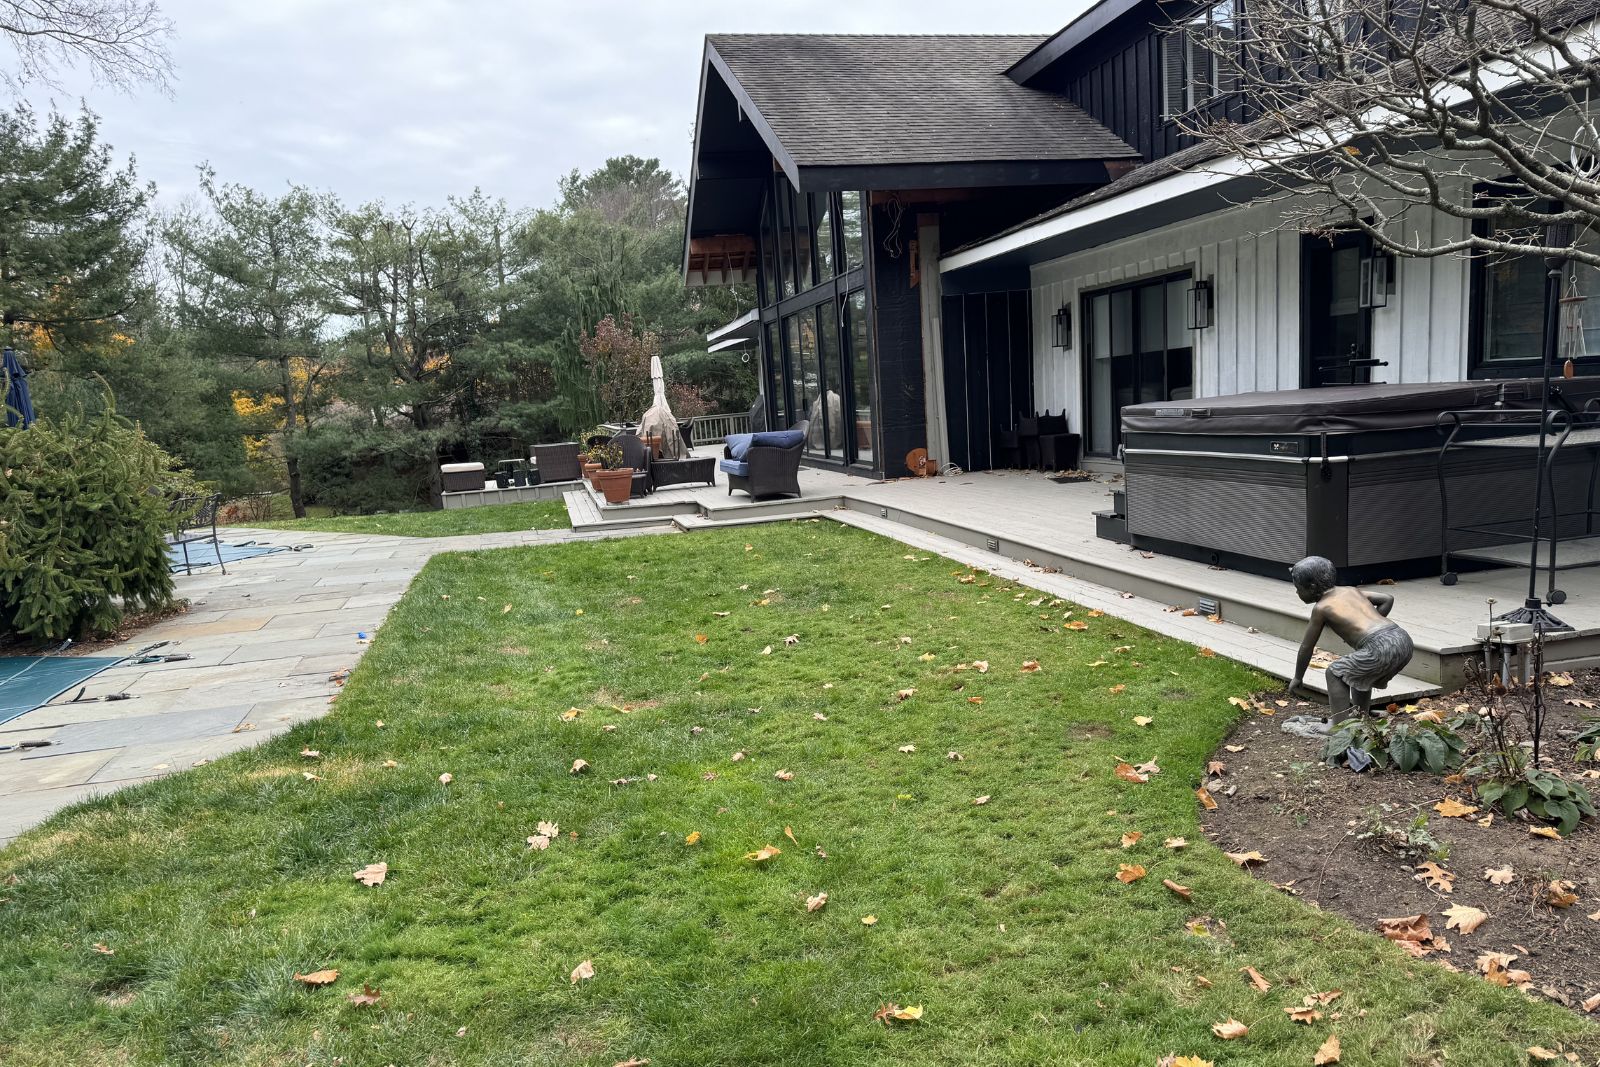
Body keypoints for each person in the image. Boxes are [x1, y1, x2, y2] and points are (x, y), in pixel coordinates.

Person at [1286, 555, 1414, 726]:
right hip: (1402, 638)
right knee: (1357, 675)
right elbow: (1387, 598)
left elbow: (1307, 647)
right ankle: (1361, 718)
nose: (1296, 592)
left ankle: (1339, 727)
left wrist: (1298, 677)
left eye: (1298, 588)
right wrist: (1370, 623)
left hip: (1380, 646)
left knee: (1335, 672)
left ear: (1312, 587)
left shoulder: (1321, 607)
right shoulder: (1350, 590)